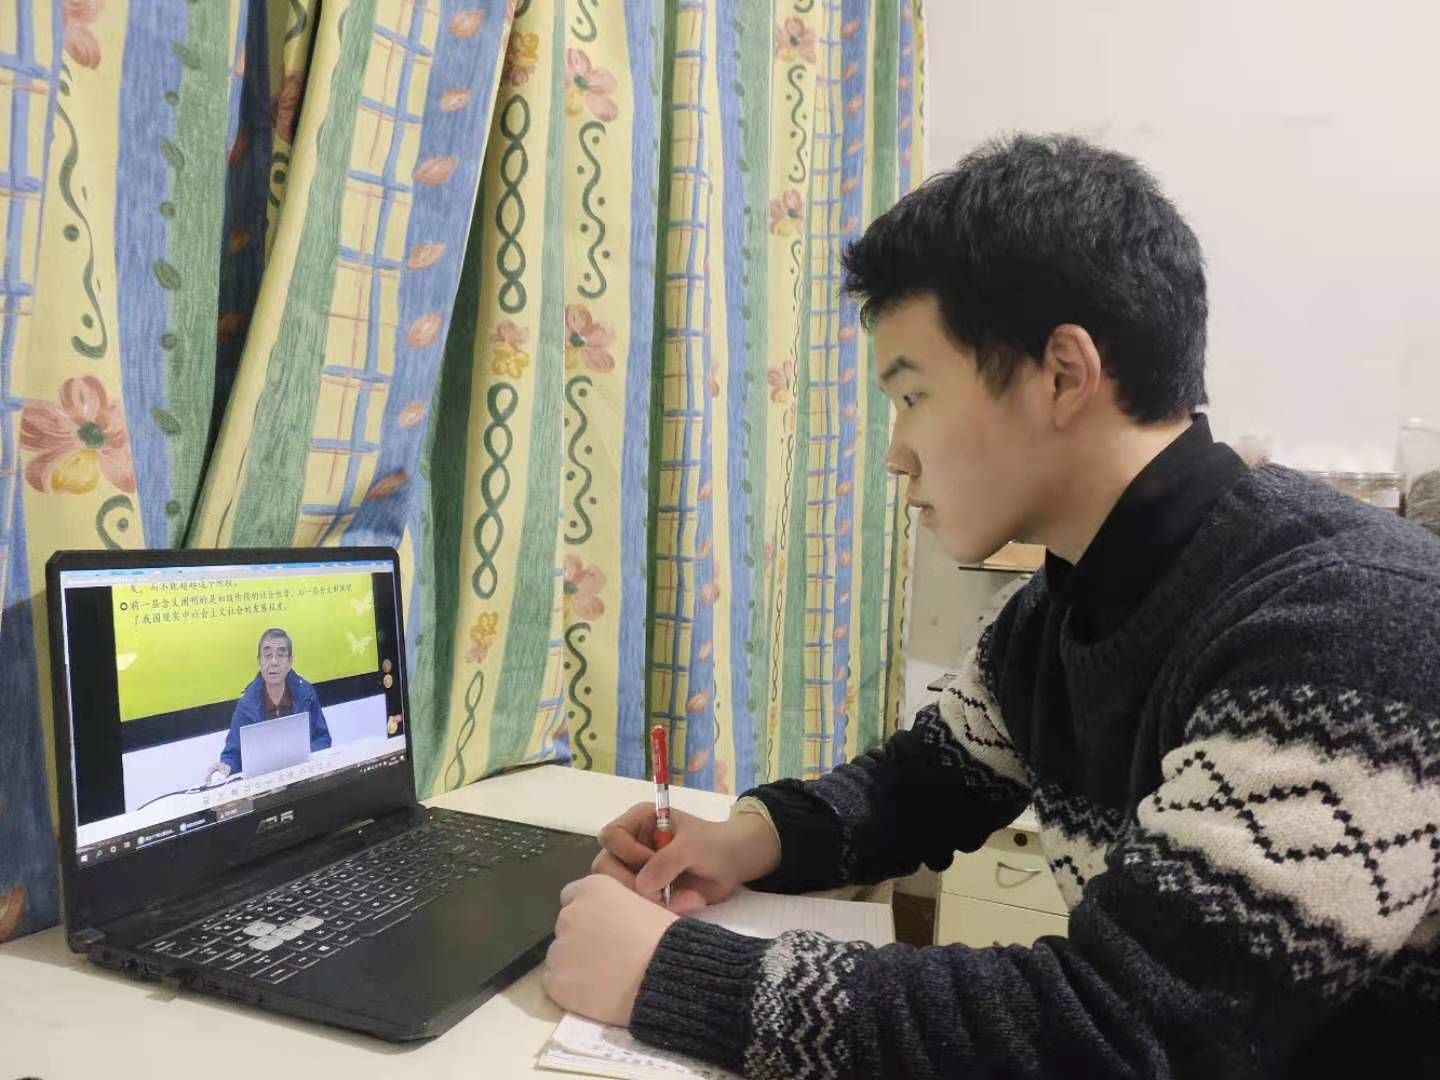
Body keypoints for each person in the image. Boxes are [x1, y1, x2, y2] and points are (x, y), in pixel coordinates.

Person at [542, 134, 1440, 1077]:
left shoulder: (1350, 624)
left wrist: (674, 975)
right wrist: (750, 840)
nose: (897, 454)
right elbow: (920, 785)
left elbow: (1127, 1034)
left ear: (1063, 374)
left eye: (913, 396)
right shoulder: (1055, 608)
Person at [205, 628, 331, 784]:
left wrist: (303, 757)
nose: (274, 662)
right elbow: (233, 754)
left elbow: (322, 738)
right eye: (268, 655)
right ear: (259, 661)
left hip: (302, 779)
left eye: (281, 655)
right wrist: (225, 767)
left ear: (290, 661)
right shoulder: (247, 704)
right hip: (266, 784)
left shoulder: (306, 694)